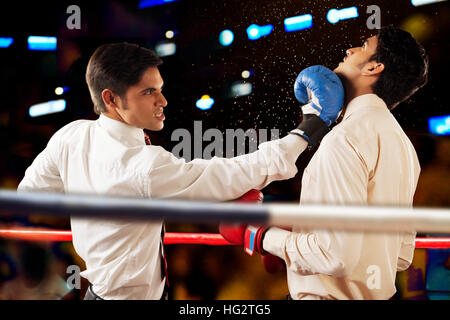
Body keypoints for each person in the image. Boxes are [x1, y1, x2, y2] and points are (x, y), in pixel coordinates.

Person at [17, 42, 344, 299]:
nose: (163, 100)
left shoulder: (71, 135)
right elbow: (230, 176)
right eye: (148, 91)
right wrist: (307, 129)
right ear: (111, 98)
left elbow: (29, 196)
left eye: (159, 88)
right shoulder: (143, 167)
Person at [220, 26, 429, 300]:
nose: (349, 50)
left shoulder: (344, 139)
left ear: (374, 67)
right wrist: (295, 239)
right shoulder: (402, 145)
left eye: (363, 46)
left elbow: (335, 256)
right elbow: (400, 255)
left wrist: (258, 235)